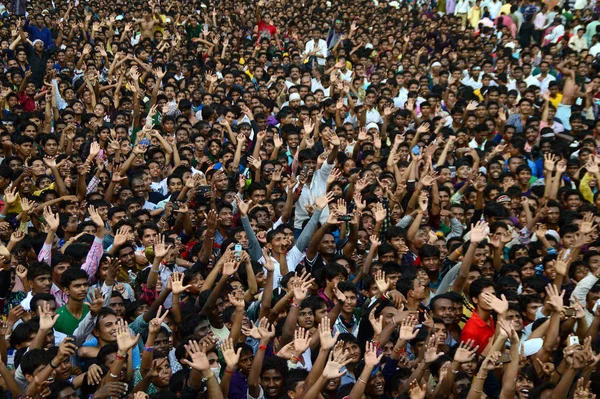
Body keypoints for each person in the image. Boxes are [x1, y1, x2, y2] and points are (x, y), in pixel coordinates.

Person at [1, 2, 600, 399]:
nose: (281, 241)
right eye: (274, 237)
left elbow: (302, 241)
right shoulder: (91, 343)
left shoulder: (297, 261)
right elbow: (237, 277)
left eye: (284, 237)